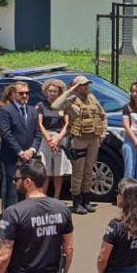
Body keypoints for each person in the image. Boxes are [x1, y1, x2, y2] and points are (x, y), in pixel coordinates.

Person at [53, 75, 107, 215]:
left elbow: (102, 115)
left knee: (89, 170)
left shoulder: (92, 98)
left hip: (93, 138)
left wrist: (102, 134)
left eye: (87, 84)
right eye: (82, 85)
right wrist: (70, 90)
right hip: (79, 139)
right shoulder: (70, 101)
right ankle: (76, 202)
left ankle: (86, 200)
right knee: (78, 172)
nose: (86, 87)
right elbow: (55, 105)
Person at [97, 178, 137, 273]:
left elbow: (102, 257)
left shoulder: (116, 225)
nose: (116, 195)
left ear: (126, 198)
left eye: (118, 192)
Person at [0, 81, 38, 212]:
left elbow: (38, 133)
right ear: (13, 94)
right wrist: (20, 152)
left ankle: (25, 218)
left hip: (29, 157)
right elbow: (6, 134)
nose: (24, 95)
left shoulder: (32, 111)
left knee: (27, 188)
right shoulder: (6, 111)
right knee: (12, 190)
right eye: (21, 93)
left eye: (27, 93)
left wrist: (32, 150)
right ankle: (10, 221)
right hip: (12, 157)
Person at [35, 79, 71, 200]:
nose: (52, 93)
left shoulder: (63, 105)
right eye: (50, 91)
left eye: (55, 91)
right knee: (45, 169)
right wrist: (49, 139)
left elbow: (67, 123)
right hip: (46, 138)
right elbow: (39, 124)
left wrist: (58, 138)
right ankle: (43, 196)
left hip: (59, 137)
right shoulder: (41, 105)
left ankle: (56, 197)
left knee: (58, 170)